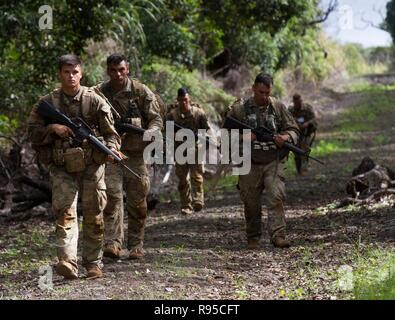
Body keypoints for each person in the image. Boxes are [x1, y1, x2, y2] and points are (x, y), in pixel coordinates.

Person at [27, 54, 120, 279]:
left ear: (82, 73)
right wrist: (52, 129)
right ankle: (68, 261)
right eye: (67, 72)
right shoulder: (47, 103)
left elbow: (111, 134)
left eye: (75, 72)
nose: (71, 77)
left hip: (92, 166)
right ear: (60, 74)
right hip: (62, 166)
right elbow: (32, 133)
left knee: (94, 214)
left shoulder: (95, 100)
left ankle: (93, 263)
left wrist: (111, 149)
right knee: (65, 213)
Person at [94, 54, 162, 260]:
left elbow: (156, 118)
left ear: (128, 69)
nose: (118, 74)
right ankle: (113, 243)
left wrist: (151, 131)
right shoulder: (99, 92)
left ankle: (136, 244)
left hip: (136, 156)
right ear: (108, 71)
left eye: (121, 70)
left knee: (138, 200)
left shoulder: (140, 92)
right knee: (112, 197)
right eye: (113, 70)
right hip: (111, 154)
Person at [225, 73, 300, 249]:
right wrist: (243, 136)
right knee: (251, 201)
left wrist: (286, 137)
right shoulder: (239, 109)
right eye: (261, 92)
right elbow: (225, 136)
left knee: (276, 196)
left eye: (267, 93)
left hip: (273, 160)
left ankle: (278, 235)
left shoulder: (277, 107)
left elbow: (294, 129)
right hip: (248, 161)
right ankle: (253, 236)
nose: (264, 96)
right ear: (253, 89)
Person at [166, 88, 210, 215]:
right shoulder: (172, 115)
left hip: (195, 149)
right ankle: (186, 205)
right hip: (180, 150)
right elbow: (168, 134)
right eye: (181, 100)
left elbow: (206, 131)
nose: (183, 103)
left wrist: (203, 141)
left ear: (189, 99)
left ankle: (198, 200)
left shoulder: (198, 113)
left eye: (185, 100)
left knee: (197, 176)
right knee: (182, 179)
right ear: (178, 100)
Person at [288, 93, 317, 176]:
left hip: (306, 133)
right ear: (294, 102)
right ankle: (299, 170)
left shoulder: (307, 108)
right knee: (296, 152)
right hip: (296, 134)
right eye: (297, 102)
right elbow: (286, 120)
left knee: (305, 150)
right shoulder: (290, 110)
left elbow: (314, 119)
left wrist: (307, 124)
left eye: (300, 101)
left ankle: (304, 169)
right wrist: (295, 123)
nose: (299, 104)